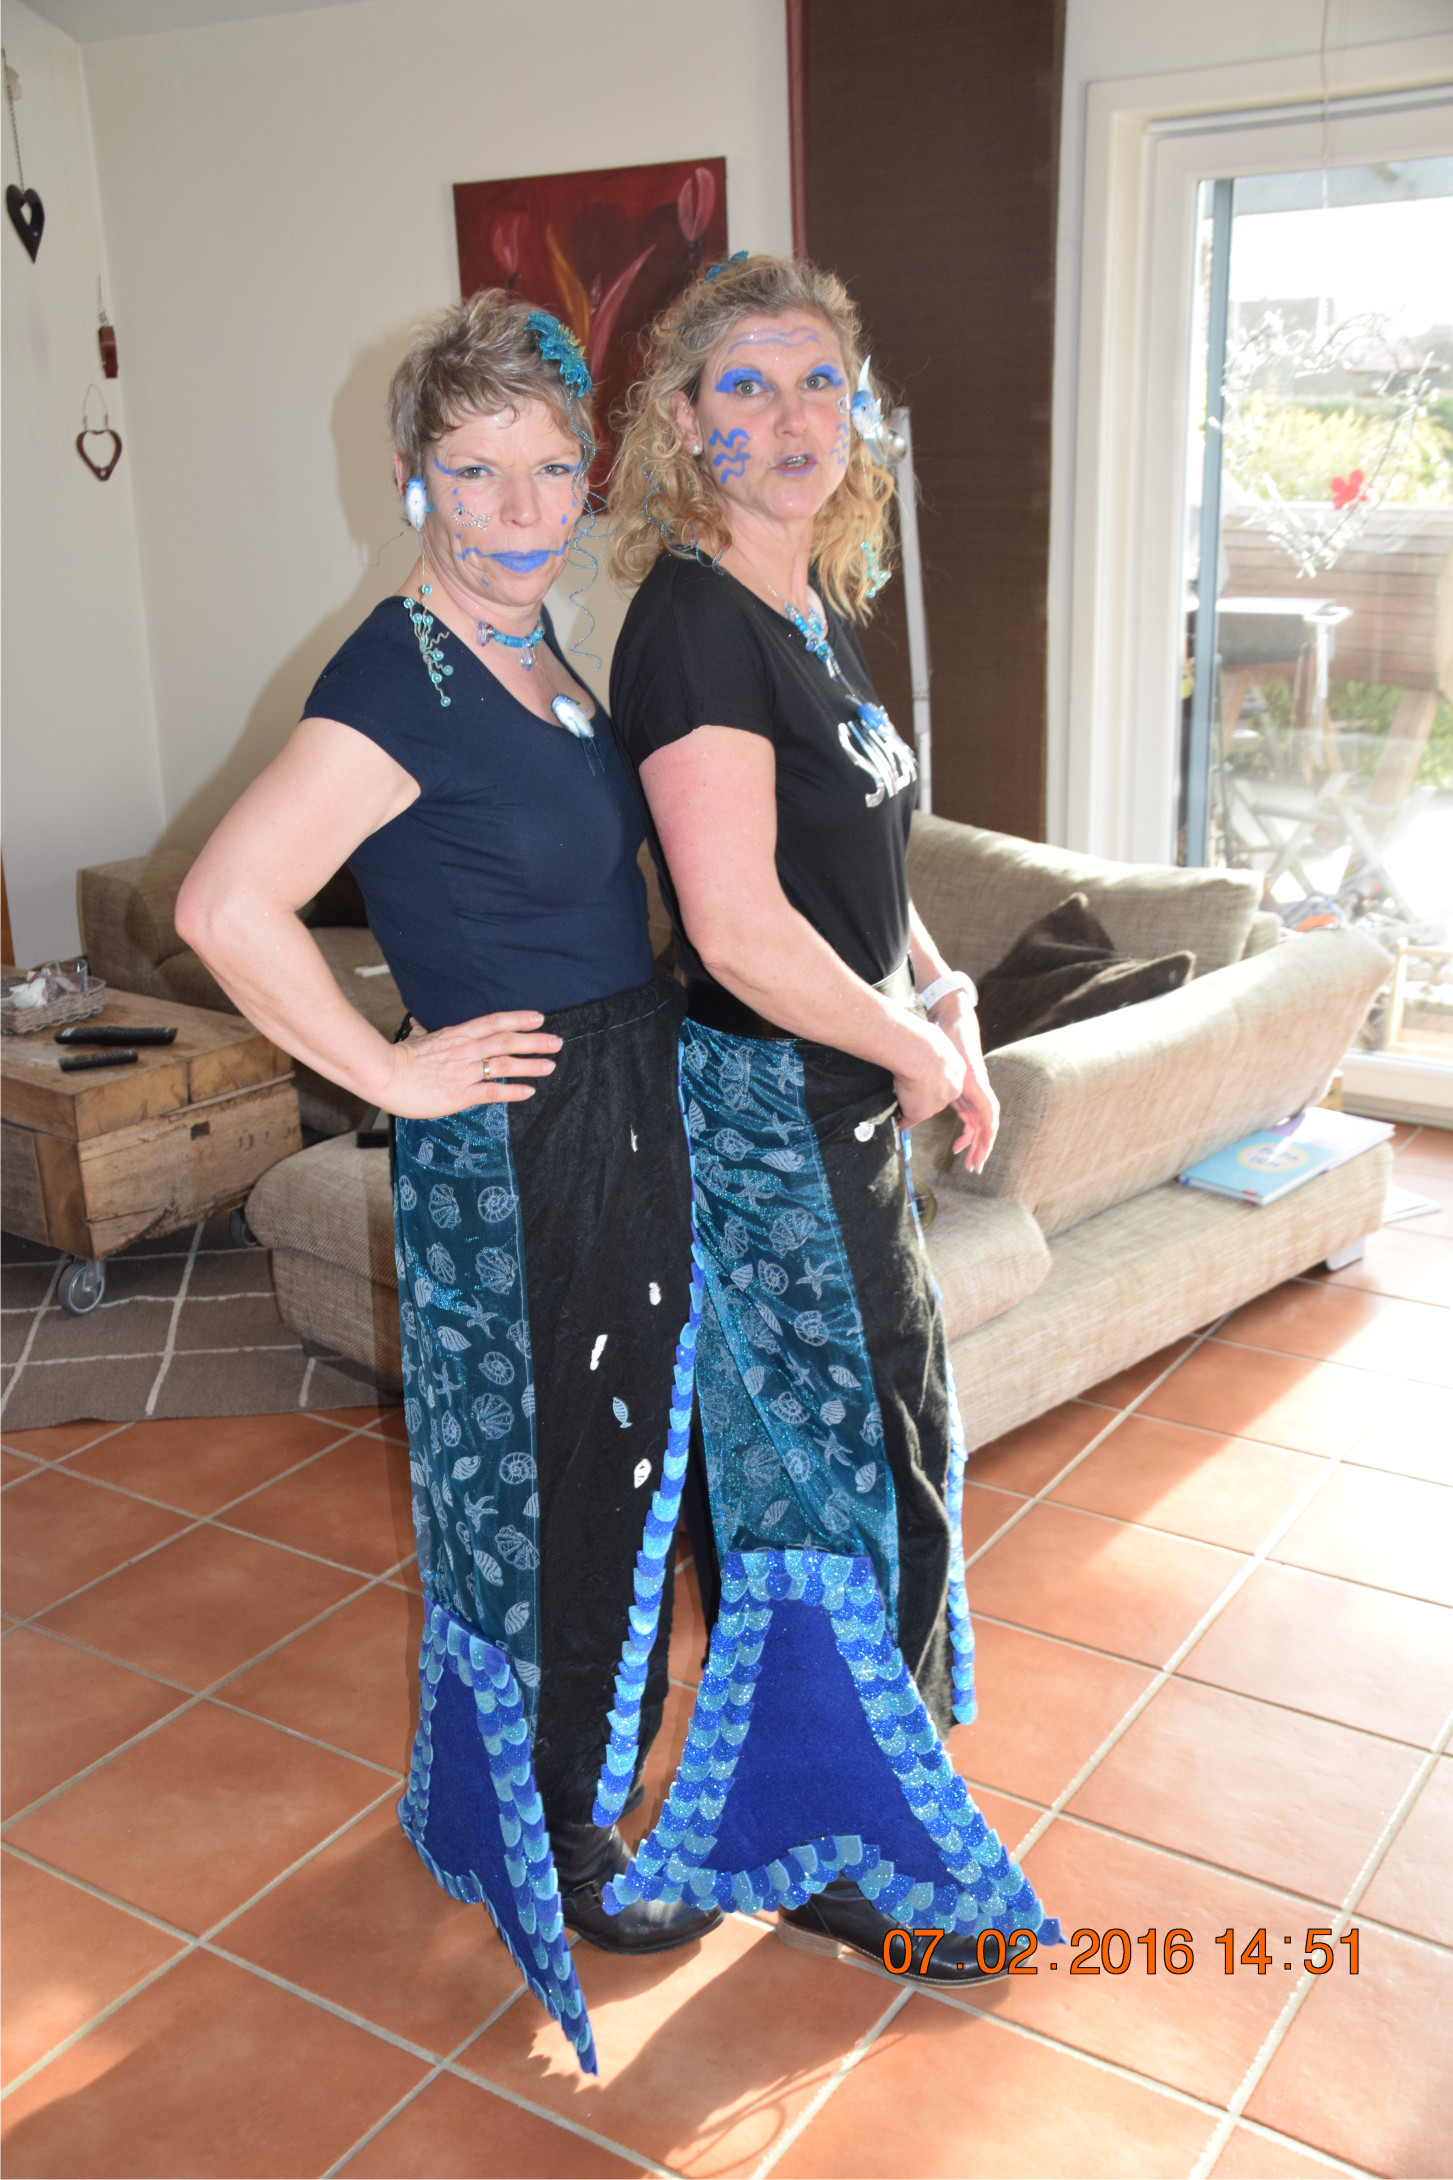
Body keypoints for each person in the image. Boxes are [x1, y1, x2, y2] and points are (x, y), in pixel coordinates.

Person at [175, 291, 719, 2075]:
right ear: (413, 479)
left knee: (608, 1485)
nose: (518, 507)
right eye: (475, 471)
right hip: (523, 1147)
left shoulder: (537, 651)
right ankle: (563, 1844)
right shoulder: (390, 678)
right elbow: (225, 906)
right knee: (560, 1499)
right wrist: (390, 1070)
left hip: (615, 1109)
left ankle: (512, 1800)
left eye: (549, 467)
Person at [594, 254, 1061, 1978]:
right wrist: (905, 1051)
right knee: (823, 1484)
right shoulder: (691, 627)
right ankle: (829, 1844)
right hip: (764, 1108)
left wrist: (943, 996)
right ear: (683, 424)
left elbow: (857, 860)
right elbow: (733, 928)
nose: (791, 416)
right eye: (746, 384)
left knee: (884, 1446)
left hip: (841, 1087)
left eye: (818, 383)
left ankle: (852, 1795)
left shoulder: (801, 607)